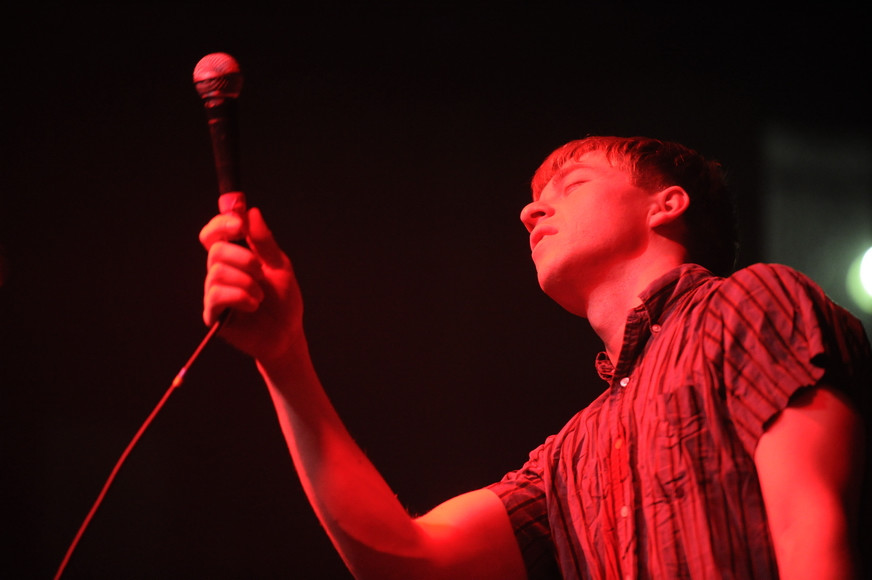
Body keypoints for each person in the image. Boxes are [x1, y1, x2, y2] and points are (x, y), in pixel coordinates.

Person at [198, 136, 869, 579]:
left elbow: (813, 526)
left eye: (569, 183)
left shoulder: (751, 302)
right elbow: (405, 558)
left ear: (667, 205)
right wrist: (285, 360)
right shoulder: (569, 456)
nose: (529, 211)